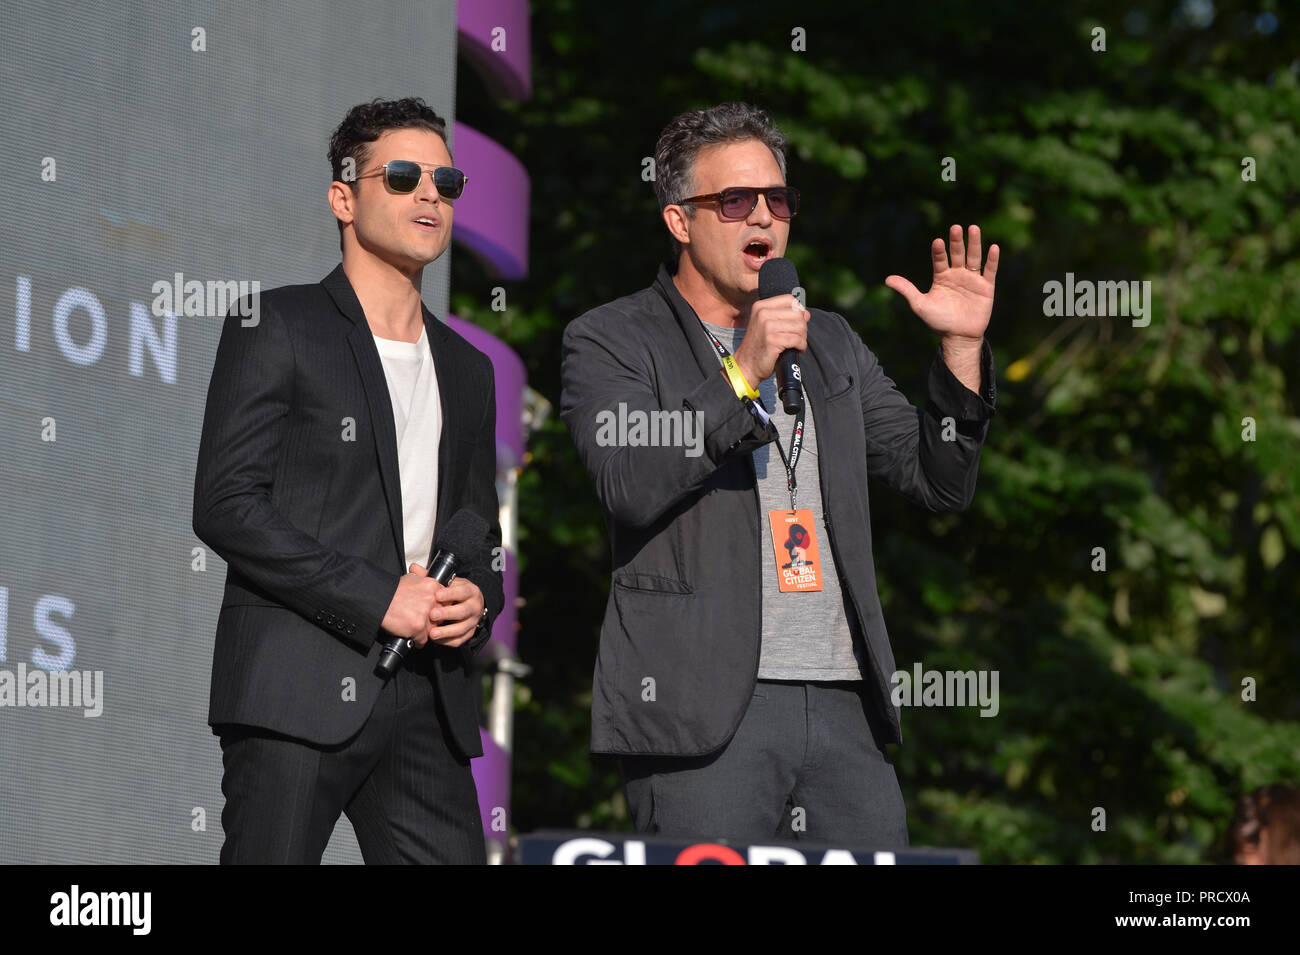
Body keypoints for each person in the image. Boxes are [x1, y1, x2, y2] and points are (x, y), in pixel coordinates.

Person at [561, 102, 998, 845]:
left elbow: (939, 479)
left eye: (777, 199)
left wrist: (960, 352)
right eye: (734, 201)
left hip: (841, 708)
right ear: (679, 221)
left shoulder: (828, 340)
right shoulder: (612, 337)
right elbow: (629, 481)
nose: (761, 215)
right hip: (703, 714)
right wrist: (744, 373)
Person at [193, 97, 503, 864]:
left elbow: (479, 534)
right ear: (344, 196)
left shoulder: (470, 369)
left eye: (446, 180)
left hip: (428, 699)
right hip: (296, 686)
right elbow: (226, 504)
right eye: (402, 176)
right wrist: (378, 598)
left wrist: (477, 601)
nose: (430, 194)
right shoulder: (278, 325)